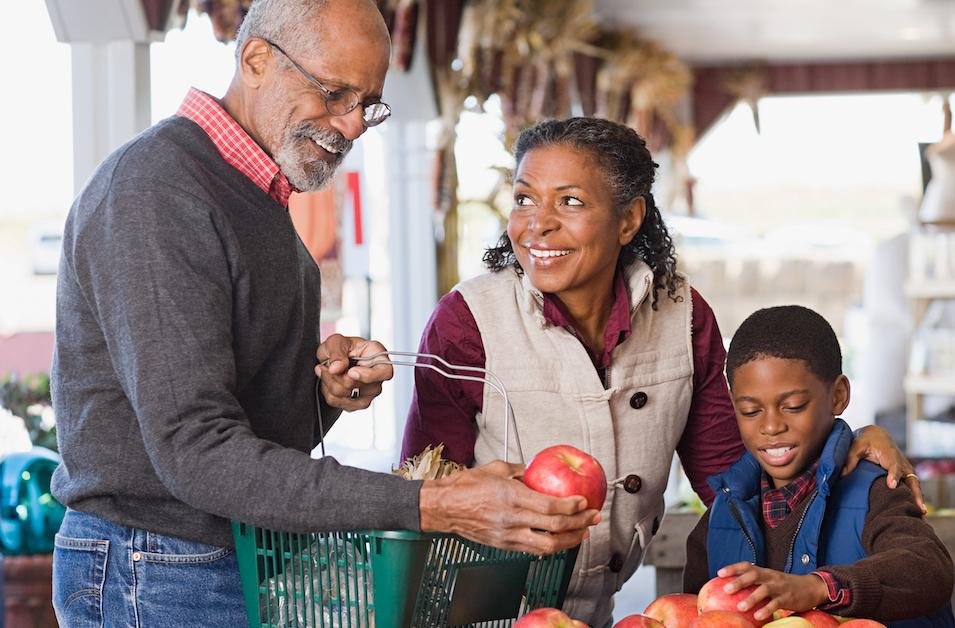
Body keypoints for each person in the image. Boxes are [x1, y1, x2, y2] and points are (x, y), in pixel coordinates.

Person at [49, 1, 595, 626]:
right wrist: (429, 504)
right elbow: (197, 452)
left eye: (368, 104)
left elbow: (249, 438)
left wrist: (322, 399)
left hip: (219, 559)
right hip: (157, 567)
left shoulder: (257, 193)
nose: (355, 125)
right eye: (336, 93)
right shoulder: (156, 190)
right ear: (256, 58)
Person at [401, 117, 923, 626]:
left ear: (628, 219)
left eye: (571, 201)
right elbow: (424, 489)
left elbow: (735, 480)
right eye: (524, 198)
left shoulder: (682, 316)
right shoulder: (467, 321)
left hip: (596, 613)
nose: (537, 222)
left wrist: (845, 442)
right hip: (471, 610)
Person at [683, 306, 954, 626]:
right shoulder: (722, 515)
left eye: (793, 406)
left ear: (838, 396)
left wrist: (819, 587)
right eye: (750, 411)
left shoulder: (874, 491)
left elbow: (928, 568)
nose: (771, 426)